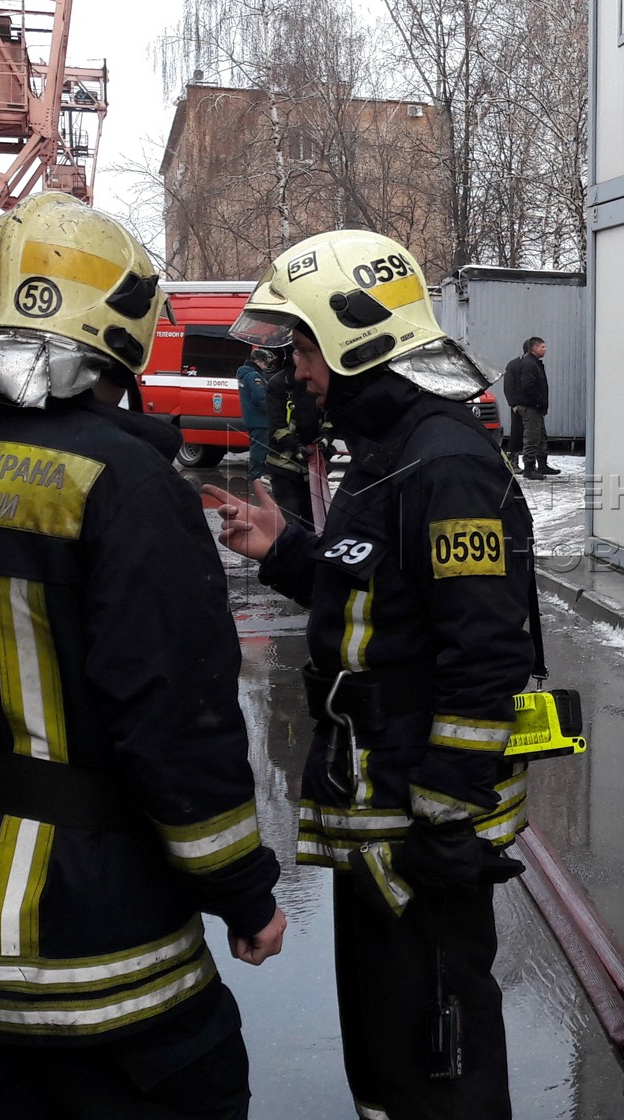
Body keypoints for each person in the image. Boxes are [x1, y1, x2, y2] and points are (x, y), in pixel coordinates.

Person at [0, 192, 287, 1120]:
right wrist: (243, 893)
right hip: (97, 935)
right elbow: (176, 720)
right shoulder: (131, 485)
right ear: (123, 330)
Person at [202, 229, 537, 1120]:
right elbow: (372, 599)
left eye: (302, 345)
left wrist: (445, 818)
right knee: (390, 1057)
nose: (295, 370)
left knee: (441, 1067)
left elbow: (486, 662)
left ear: (354, 337)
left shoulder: (447, 464)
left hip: (420, 829)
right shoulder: (387, 455)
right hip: (378, 814)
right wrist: (281, 552)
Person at [261, 346, 319, 524]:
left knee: (314, 521)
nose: (301, 357)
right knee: (291, 521)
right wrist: (295, 446)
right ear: (289, 356)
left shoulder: (318, 379)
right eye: (296, 353)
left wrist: (325, 439)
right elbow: (276, 425)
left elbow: (329, 416)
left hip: (314, 467)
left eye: (305, 352)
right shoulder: (279, 383)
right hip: (284, 466)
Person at [501, 336, 558, 479]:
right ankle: (527, 467)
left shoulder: (534, 363)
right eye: (543, 347)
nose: (545, 350)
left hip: (533, 407)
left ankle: (541, 464)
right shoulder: (524, 364)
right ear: (533, 348)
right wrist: (516, 403)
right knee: (528, 436)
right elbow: (522, 386)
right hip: (528, 406)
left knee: (539, 436)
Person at [238, 346, 273, 480]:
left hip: (253, 418)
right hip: (260, 420)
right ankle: (256, 476)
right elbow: (260, 398)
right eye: (265, 363)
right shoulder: (254, 376)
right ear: (258, 361)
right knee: (260, 449)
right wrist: (272, 411)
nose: (266, 367)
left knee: (258, 447)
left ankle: (257, 475)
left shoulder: (245, 374)